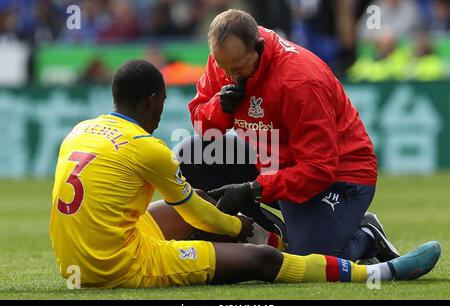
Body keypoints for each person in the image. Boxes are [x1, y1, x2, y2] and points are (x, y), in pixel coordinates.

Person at [49, 59, 440, 288]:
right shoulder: (148, 147)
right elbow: (198, 217)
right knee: (263, 260)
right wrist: (242, 231)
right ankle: (379, 271)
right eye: (162, 103)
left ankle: (279, 235)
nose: (162, 113)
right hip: (118, 266)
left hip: (74, 261)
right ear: (152, 101)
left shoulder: (80, 130)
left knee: (196, 195)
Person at [179, 9, 397, 262]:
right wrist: (220, 107)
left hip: (340, 175)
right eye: (223, 67)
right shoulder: (228, 57)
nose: (230, 77)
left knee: (311, 260)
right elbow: (202, 127)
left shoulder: (300, 81)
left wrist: (253, 189)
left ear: (258, 47)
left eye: (238, 68)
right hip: (273, 159)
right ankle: (270, 232)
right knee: (191, 155)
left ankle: (368, 234)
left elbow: (319, 168)